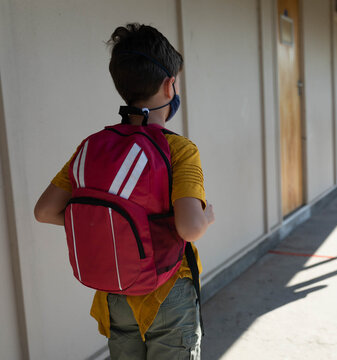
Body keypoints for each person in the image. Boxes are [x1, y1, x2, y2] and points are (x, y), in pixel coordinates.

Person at [33, 23, 214, 360]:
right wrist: (207, 216)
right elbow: (189, 228)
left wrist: (113, 226)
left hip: (114, 291)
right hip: (168, 288)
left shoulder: (92, 147)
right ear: (169, 85)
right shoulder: (180, 150)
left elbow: (45, 211)